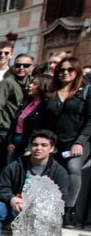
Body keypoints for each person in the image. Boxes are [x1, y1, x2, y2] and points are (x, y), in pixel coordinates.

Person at [0, 130, 70, 236]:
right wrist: (12, 199)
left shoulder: (59, 172)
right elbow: (0, 189)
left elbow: (61, 199)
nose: (38, 148)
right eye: (35, 145)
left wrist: (36, 205)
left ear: (52, 149)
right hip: (13, 206)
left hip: (39, 212)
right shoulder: (16, 166)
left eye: (44, 145)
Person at [42, 57, 90, 225]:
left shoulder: (85, 91)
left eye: (70, 70)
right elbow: (44, 121)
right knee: (50, 171)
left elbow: (90, 120)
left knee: (73, 168)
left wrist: (80, 141)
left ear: (77, 72)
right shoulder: (51, 92)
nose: (65, 73)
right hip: (55, 142)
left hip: (78, 141)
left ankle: (69, 210)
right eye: (61, 70)